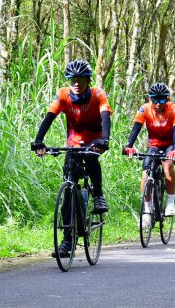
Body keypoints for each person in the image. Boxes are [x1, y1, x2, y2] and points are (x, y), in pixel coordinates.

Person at [31, 59, 113, 258]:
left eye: (80, 79)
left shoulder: (98, 94)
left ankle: (99, 196)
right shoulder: (63, 95)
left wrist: (104, 139)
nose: (76, 83)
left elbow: (105, 117)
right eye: (72, 79)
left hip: (94, 139)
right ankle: (67, 241)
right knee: (69, 186)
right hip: (74, 141)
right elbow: (49, 117)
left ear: (87, 80)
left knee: (92, 158)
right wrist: (39, 140)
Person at [123, 82, 175, 222]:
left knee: (168, 166)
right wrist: (129, 145)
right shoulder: (144, 109)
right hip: (153, 145)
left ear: (167, 100)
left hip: (169, 145)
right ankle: (147, 208)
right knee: (145, 173)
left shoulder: (174, 109)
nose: (158, 104)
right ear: (150, 99)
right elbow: (136, 128)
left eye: (161, 100)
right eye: (154, 100)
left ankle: (170, 202)